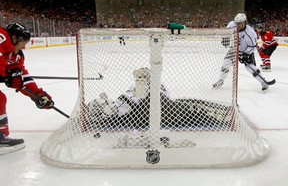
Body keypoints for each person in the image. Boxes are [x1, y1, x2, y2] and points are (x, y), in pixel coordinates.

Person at [86, 68, 231, 130]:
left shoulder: (156, 84)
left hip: (155, 108)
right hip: (148, 111)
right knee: (191, 110)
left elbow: (164, 99)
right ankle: (219, 115)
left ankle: (220, 114)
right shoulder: (132, 89)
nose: (141, 78)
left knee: (190, 107)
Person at [0, 23, 54, 154]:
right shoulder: (3, 37)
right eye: (23, 42)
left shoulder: (16, 56)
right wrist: (7, 71)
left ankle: (2, 137)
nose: (24, 46)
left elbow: (23, 78)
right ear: (14, 38)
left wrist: (38, 95)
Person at [234, 13, 274, 92]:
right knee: (226, 63)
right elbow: (227, 34)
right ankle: (220, 81)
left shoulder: (251, 33)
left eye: (240, 23)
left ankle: (263, 82)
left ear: (245, 22)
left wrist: (244, 54)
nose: (238, 25)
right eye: (237, 23)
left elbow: (252, 46)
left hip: (246, 51)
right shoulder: (232, 26)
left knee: (250, 68)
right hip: (234, 50)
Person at [213, 21, 237, 88]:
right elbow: (226, 39)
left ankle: (262, 81)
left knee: (250, 67)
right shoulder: (229, 30)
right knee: (225, 64)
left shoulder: (235, 27)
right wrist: (225, 40)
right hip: (233, 50)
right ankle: (221, 80)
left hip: (241, 50)